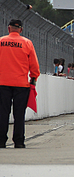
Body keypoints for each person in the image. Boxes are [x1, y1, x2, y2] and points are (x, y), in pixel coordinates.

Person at [0, 19, 40, 148]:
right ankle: (19, 141)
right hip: (21, 84)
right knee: (19, 114)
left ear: (8, 28)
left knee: (2, 112)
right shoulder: (27, 43)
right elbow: (34, 65)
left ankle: (1, 141)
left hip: (2, 83)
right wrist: (33, 79)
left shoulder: (1, 41)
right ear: (21, 30)